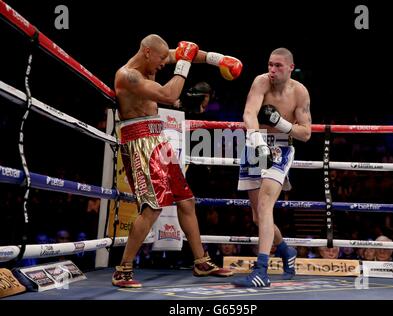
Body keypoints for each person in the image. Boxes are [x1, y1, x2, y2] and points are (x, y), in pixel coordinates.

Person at [112, 34, 242, 288]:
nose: (164, 64)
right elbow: (169, 95)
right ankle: (123, 269)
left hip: (157, 138)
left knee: (186, 200)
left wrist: (220, 60)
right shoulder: (128, 76)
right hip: (139, 140)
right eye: (161, 60)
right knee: (152, 206)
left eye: (166, 60)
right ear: (147, 52)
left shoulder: (153, 59)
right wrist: (183, 64)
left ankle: (201, 261)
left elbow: (187, 52)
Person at [233, 48, 312, 287]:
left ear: (290, 67)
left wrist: (281, 123)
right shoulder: (261, 82)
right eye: (270, 65)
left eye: (278, 66)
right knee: (259, 217)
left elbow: (306, 133)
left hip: (281, 148)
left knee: (266, 205)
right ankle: (287, 251)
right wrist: (256, 138)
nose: (272, 70)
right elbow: (249, 112)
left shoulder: (299, 92)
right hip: (256, 143)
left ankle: (261, 270)